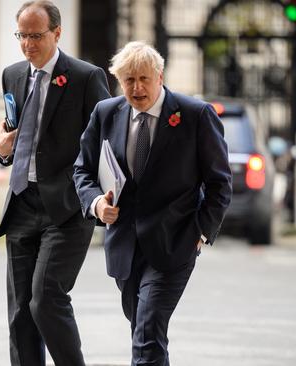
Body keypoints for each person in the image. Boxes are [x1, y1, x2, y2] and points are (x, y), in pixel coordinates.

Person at [73, 41, 232, 365]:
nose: (137, 87)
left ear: (159, 76)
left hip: (174, 243)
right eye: (129, 80)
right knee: (146, 332)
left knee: (146, 332)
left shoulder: (194, 115)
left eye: (144, 78)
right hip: (124, 247)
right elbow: (83, 170)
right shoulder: (106, 113)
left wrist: (200, 232)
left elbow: (219, 182)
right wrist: (96, 205)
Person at [0, 1, 111, 365]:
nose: (28, 44)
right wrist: (1, 152)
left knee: (45, 300)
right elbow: (16, 136)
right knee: (19, 314)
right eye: (22, 36)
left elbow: (106, 138)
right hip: (22, 202)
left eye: (36, 36)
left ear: (57, 33)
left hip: (67, 207)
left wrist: (102, 196)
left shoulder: (85, 77)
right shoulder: (12, 75)